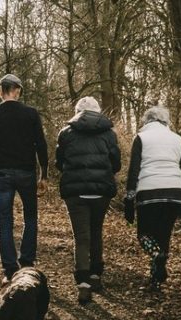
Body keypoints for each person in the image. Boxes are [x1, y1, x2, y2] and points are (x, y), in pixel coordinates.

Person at [0, 74, 49, 282]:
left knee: (5, 222)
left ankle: (10, 271)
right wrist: (43, 175)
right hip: (27, 173)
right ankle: (26, 264)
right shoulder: (31, 114)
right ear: (17, 91)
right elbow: (41, 146)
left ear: (1, 91)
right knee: (30, 218)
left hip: (1, 175)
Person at [54, 97, 120, 305]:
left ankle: (83, 284)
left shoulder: (66, 133)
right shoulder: (109, 134)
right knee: (96, 231)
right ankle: (95, 276)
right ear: (98, 112)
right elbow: (115, 164)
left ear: (77, 112)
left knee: (81, 236)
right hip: (101, 190)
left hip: (75, 191)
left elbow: (59, 162)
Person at [125, 106, 181, 291]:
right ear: (165, 121)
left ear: (146, 121)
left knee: (144, 234)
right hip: (175, 192)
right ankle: (156, 277)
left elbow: (134, 170)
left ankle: (156, 255)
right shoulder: (177, 139)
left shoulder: (141, 138)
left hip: (149, 191)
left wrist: (129, 197)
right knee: (164, 235)